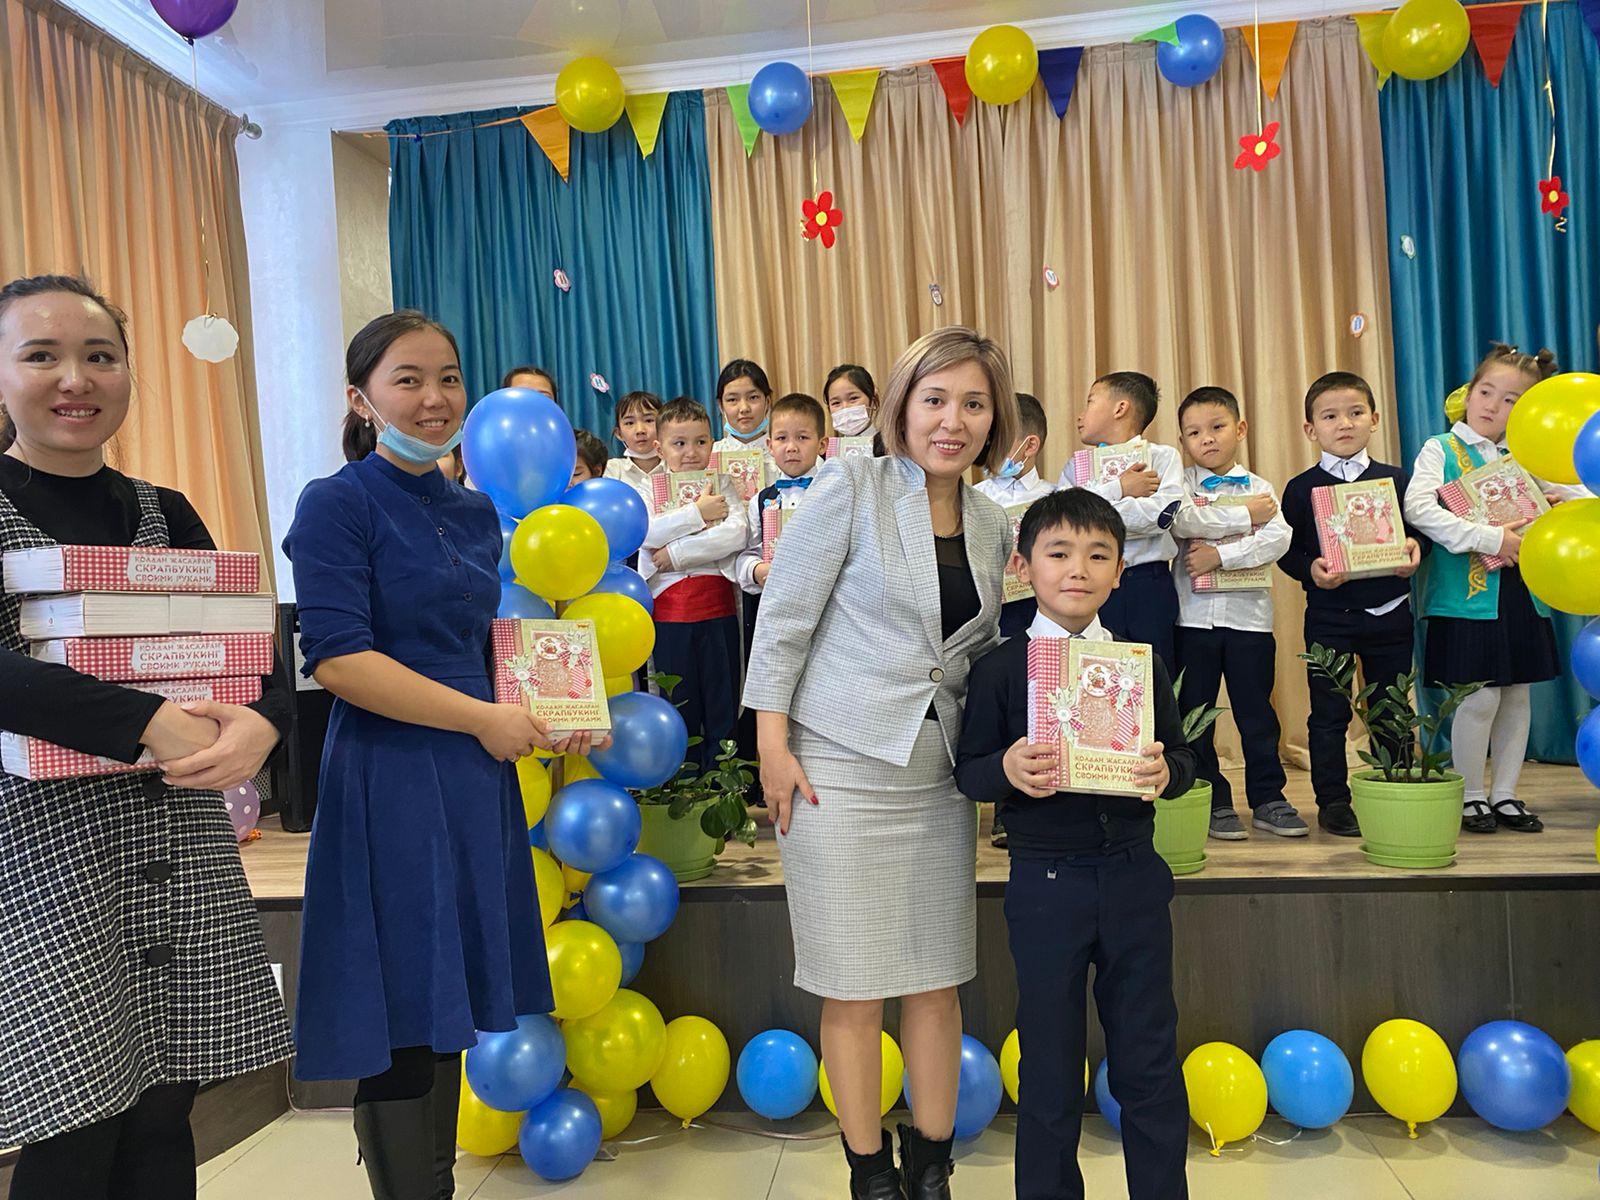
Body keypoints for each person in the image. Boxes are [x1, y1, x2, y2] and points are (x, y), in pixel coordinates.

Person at [286, 311, 602, 1200]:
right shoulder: (337, 503)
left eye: (449, 378)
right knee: (400, 1000)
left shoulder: (472, 510)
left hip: (470, 772)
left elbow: (476, 644)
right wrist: (480, 719)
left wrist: (556, 704)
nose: (435, 398)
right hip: (389, 772)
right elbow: (340, 660)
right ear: (361, 398)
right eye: (408, 379)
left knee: (448, 992)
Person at [0, 273, 292, 1199]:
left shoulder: (166, 510)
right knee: (71, 1122)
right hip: (44, 857)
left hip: (179, 844)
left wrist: (263, 722)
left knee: (169, 1107)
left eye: (100, 356)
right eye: (41, 355)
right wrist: (145, 720)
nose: (75, 379)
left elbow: (250, 651)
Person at [745, 326, 1019, 1200]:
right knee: (853, 983)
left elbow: (981, 654)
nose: (952, 421)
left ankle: (932, 1164)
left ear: (995, 419)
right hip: (836, 764)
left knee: (937, 979)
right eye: (935, 400)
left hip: (936, 771)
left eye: (973, 404)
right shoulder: (850, 484)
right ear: (901, 407)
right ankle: (868, 1170)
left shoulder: (993, 520)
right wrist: (772, 745)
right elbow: (784, 619)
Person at [955, 488, 1194, 1200]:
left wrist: (1167, 773)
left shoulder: (1138, 665)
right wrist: (1006, 768)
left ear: (1120, 571)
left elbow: (1183, 757)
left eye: (1097, 556)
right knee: (1050, 1067)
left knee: (1149, 1061)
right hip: (1045, 885)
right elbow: (969, 771)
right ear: (1023, 567)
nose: (1078, 570)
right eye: (1058, 554)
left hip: (1134, 878)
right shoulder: (1002, 668)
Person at [1403, 343, 1579, 835]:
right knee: (1478, 698)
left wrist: (1556, 503)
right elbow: (1419, 509)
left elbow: (1578, 497)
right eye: (1486, 391)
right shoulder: (1440, 448)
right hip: (1463, 595)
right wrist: (1489, 537)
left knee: (1517, 695)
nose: (1492, 406)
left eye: (1510, 400)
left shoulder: (1527, 456)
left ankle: (1505, 793)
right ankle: (1470, 795)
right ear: (1469, 391)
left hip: (1520, 590)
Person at [1278, 372, 1424, 837]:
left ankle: (1395, 788)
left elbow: (1419, 534)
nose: (1344, 423)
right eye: (1330, 416)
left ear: (1374, 419)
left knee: (1392, 707)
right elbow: (1286, 551)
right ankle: (1333, 802)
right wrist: (1312, 569)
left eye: (1356, 412)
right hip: (1330, 618)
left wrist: (1415, 550)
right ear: (1310, 429)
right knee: (1328, 714)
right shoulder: (1301, 488)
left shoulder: (1396, 480)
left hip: (1390, 612)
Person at [1168, 387, 1300, 839]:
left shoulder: (1262, 487)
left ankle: (1269, 799)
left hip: (1250, 622)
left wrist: (1220, 557)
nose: (1206, 438)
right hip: (1192, 621)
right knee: (1196, 715)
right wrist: (1246, 516)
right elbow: (1182, 521)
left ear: (1240, 429)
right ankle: (1213, 799)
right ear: (1183, 441)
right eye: (1194, 433)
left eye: (1217, 427)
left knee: (1256, 714)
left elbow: (1278, 538)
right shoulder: (1182, 485)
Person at [639, 396, 749, 777]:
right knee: (678, 702)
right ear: (660, 448)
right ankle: (683, 784)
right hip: (669, 611)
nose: (691, 452)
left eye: (701, 442)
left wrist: (676, 553)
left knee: (722, 699)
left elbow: (736, 534)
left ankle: (723, 784)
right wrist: (697, 514)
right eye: (679, 443)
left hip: (718, 607)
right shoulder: (649, 489)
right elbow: (646, 534)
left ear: (712, 443)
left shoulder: (723, 483)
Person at [1058, 372, 1184, 673]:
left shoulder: (1163, 457)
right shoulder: (1076, 467)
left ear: (1120, 408)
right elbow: (1066, 519)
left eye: (1090, 402)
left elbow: (1161, 517)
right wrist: (1120, 489)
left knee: (1155, 675)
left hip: (1149, 586)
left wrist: (1093, 512)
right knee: (1096, 672)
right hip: (1093, 583)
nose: (1080, 416)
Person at [976, 391, 1054, 639]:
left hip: (1044, 608)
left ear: (1029, 446)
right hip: (988, 611)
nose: (990, 449)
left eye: (1000, 440)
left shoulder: (1056, 497)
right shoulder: (972, 497)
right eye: (988, 439)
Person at [602, 390, 663, 492]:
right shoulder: (612, 470)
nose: (640, 430)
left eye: (649, 420)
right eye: (629, 423)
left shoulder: (676, 467)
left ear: (663, 427)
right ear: (619, 434)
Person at [714, 358, 774, 456]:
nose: (744, 408)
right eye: (732, 399)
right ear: (721, 406)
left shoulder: (783, 453)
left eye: (753, 397)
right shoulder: (710, 455)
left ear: (767, 402)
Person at [824, 362, 879, 441]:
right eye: (836, 403)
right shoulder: (828, 447)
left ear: (873, 401)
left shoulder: (890, 444)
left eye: (853, 398)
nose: (845, 408)